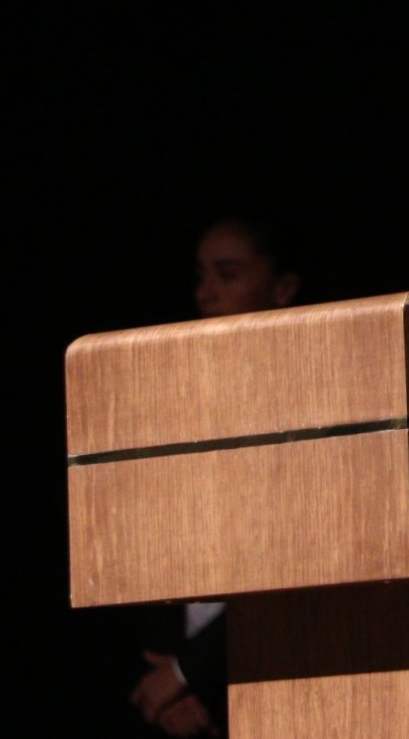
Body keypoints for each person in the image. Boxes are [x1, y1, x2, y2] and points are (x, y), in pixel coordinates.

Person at [126, 216, 303, 737]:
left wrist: (189, 673)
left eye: (228, 274)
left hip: (272, 672)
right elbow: (141, 531)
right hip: (173, 686)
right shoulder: (169, 388)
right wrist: (165, 669)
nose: (206, 292)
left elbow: (293, 567)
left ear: (283, 288)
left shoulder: (307, 397)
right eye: (201, 274)